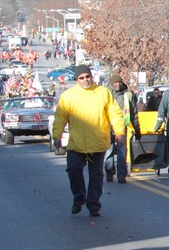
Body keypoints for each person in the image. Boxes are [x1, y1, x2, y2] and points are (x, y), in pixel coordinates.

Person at [51, 65, 126, 217]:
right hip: (76, 143)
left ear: (92, 76)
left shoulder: (103, 92)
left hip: (98, 142)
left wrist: (119, 132)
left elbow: (115, 113)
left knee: (96, 175)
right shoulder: (68, 96)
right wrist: (57, 136)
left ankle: (93, 205)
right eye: (82, 78)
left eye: (88, 76)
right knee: (73, 169)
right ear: (77, 79)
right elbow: (60, 117)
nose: (86, 80)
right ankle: (79, 198)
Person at [108, 74, 140, 184]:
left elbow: (134, 113)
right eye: (115, 83)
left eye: (119, 82)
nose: (117, 84)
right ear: (111, 84)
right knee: (109, 151)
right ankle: (109, 172)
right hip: (107, 127)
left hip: (121, 127)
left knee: (122, 151)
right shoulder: (106, 94)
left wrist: (137, 128)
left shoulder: (128, 95)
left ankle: (121, 174)